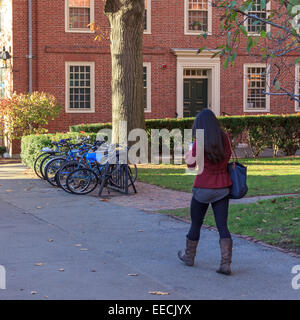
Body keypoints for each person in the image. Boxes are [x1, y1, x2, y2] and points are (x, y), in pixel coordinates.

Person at [178, 108, 233, 275]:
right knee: (222, 226)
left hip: (203, 187)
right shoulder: (225, 138)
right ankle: (225, 263)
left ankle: (189, 256)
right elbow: (228, 157)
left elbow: (190, 165)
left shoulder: (199, 141)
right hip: (222, 187)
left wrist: (189, 153)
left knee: (196, 223)